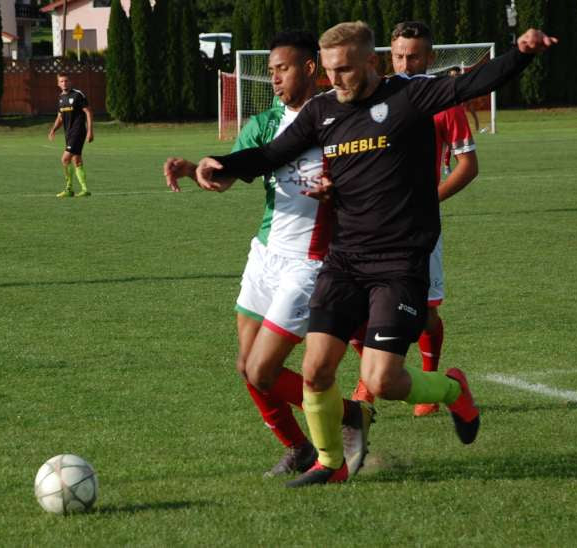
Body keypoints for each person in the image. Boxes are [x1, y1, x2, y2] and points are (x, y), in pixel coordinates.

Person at [195, 22, 556, 487]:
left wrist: (521, 53)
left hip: (399, 262)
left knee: (383, 381)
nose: (336, 80)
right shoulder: (323, 109)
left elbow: (473, 83)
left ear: (373, 63)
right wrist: (219, 163)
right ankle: (331, 463)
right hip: (344, 260)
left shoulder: (409, 96)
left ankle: (452, 390)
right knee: (316, 368)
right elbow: (272, 154)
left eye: (345, 69)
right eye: (329, 71)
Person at [163, 31, 375, 479]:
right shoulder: (263, 124)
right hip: (265, 255)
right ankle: (297, 446)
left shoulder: (340, 121)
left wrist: (337, 196)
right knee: (247, 366)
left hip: (310, 262)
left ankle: (349, 415)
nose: (274, 79)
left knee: (263, 369)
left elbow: (366, 189)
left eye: (283, 69)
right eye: (271, 71)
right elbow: (224, 176)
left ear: (311, 69)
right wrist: (194, 168)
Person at [350, 22, 480, 419]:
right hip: (371, 222)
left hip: (419, 228)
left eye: (415, 56)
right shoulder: (377, 95)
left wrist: (425, 201)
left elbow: (468, 166)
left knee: (424, 310)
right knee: (355, 303)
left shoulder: (443, 101)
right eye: (400, 55)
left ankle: (430, 377)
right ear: (390, 55)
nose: (406, 63)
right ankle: (367, 378)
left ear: (431, 57)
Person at [48, 73, 93, 198]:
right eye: (61, 81)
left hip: (78, 132)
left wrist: (90, 131)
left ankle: (69, 188)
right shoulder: (61, 98)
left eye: (66, 81)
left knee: (65, 159)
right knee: (76, 160)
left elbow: (88, 112)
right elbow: (60, 117)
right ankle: (85, 190)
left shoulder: (77, 95)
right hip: (68, 133)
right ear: (58, 84)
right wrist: (53, 130)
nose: (64, 83)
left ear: (70, 82)